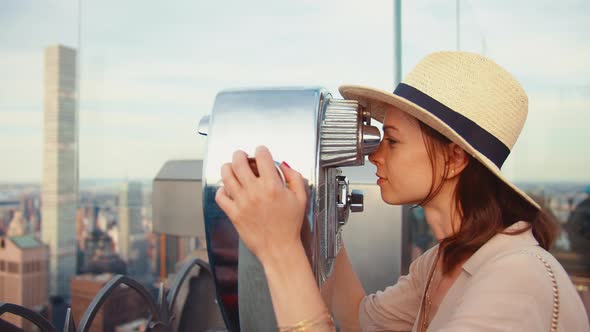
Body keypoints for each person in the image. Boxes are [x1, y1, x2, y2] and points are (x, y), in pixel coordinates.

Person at [215, 52, 590, 331]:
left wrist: (280, 249)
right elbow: (360, 319)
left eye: (392, 141)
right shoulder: (442, 262)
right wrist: (319, 213)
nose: (375, 155)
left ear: (455, 158)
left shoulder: (517, 280)